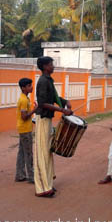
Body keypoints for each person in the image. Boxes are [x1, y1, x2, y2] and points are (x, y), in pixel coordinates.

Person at [34, 56, 72, 198]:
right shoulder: (43, 81)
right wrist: (62, 110)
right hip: (42, 119)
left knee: (48, 152)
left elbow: (53, 98)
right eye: (51, 64)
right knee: (42, 153)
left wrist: (65, 101)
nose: (53, 66)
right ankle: (42, 188)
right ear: (44, 66)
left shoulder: (48, 80)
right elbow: (43, 103)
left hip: (48, 119)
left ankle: (48, 183)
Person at [15, 78, 37, 184]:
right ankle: (32, 176)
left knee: (22, 153)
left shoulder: (24, 98)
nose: (31, 87)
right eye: (29, 86)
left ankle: (20, 175)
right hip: (25, 129)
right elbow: (24, 117)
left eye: (31, 85)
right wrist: (34, 110)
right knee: (28, 153)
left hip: (23, 128)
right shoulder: (24, 100)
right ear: (23, 88)